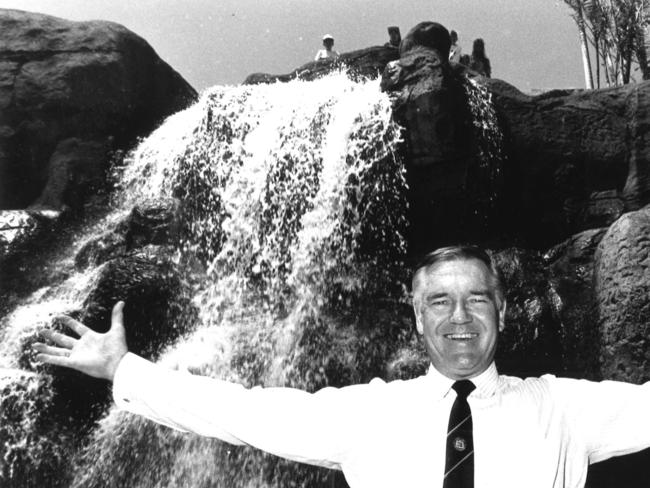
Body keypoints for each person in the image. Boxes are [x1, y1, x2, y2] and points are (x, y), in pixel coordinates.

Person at [34, 245, 650, 488]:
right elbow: (243, 412)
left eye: (477, 297)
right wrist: (124, 369)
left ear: (503, 311)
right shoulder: (369, 412)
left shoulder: (567, 408)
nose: (460, 316)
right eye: (440, 300)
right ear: (417, 318)